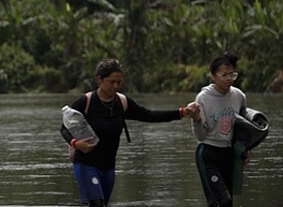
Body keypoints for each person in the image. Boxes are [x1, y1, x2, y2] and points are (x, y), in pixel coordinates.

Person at [60, 58, 199, 206]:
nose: (116, 86)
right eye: (111, 82)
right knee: (97, 203)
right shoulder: (86, 102)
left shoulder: (122, 102)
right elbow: (64, 128)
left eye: (119, 82)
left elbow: (149, 116)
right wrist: (76, 143)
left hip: (108, 166)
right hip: (85, 164)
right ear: (99, 79)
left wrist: (181, 112)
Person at [191, 51, 247, 207]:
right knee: (220, 201)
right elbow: (201, 136)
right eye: (224, 75)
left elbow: (242, 127)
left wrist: (245, 150)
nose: (229, 79)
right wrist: (196, 120)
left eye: (232, 74)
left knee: (229, 202)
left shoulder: (239, 96)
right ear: (213, 76)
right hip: (208, 153)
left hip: (228, 153)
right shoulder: (203, 98)